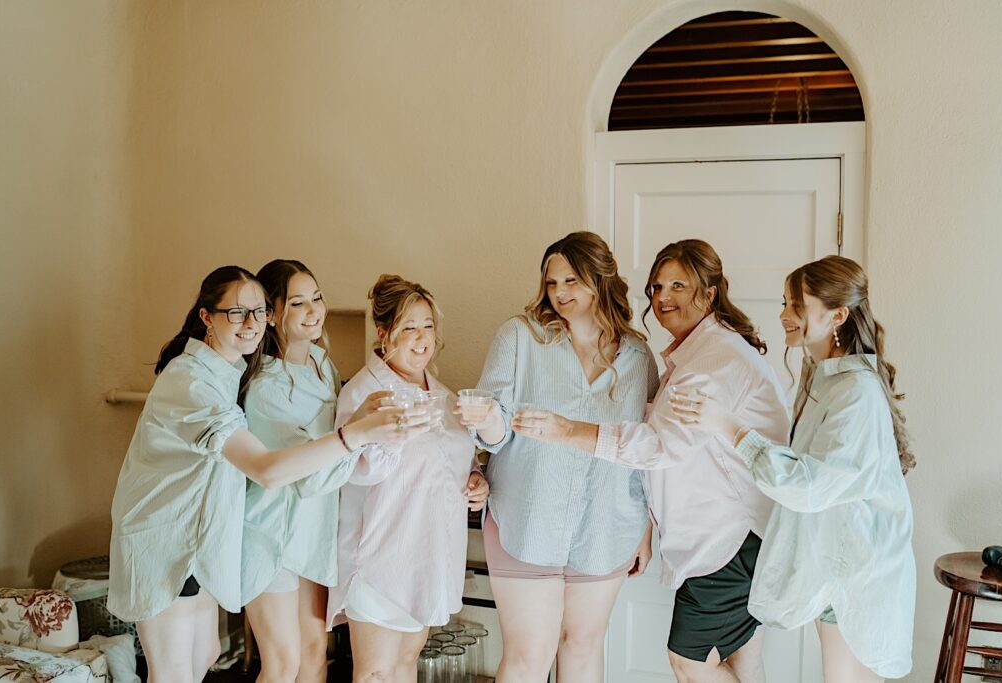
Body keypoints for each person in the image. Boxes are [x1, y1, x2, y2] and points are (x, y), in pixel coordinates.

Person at [109, 266, 428, 683]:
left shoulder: (233, 371)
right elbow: (268, 470)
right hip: (169, 535)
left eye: (257, 312)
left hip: (203, 537)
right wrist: (356, 435)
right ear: (207, 317)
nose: (251, 323)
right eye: (238, 313)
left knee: (205, 655)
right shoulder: (195, 382)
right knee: (176, 672)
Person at [514, 240, 789, 683]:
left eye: (678, 285)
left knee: (689, 661)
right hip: (731, 538)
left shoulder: (716, 360)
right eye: (657, 286)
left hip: (731, 541)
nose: (663, 298)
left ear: (711, 291)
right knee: (742, 662)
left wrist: (567, 430)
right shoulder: (696, 353)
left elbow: (662, 447)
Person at [674, 255, 916, 682]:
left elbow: (809, 484)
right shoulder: (825, 379)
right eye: (785, 303)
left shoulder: (855, 392)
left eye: (797, 306)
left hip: (859, 573)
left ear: (837, 315)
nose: (784, 315)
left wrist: (728, 427)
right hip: (840, 568)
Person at [462, 232, 657, 683]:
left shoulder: (638, 357)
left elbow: (646, 450)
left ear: (601, 279)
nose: (561, 293)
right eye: (552, 283)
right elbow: (492, 432)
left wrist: (646, 528)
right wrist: (486, 416)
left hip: (608, 524)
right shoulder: (520, 336)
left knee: (583, 648)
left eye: (572, 280)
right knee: (529, 655)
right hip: (526, 519)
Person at [328, 274, 489, 683]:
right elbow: (356, 469)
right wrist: (398, 432)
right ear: (383, 334)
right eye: (409, 328)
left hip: (429, 554)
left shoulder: (445, 397)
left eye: (428, 326)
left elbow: (455, 461)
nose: (422, 339)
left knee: (405, 663)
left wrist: (475, 481)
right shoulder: (365, 395)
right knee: (375, 672)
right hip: (382, 553)